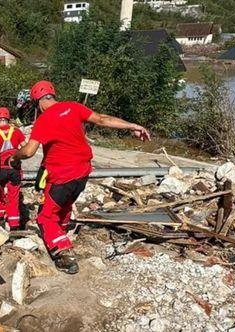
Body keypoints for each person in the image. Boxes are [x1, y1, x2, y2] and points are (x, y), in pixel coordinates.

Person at [8, 80, 151, 274]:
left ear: (38, 102)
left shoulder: (43, 120)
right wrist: (132, 125)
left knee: (45, 217)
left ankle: (63, 253)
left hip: (62, 175)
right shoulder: (73, 107)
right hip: (83, 172)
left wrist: (14, 157)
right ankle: (63, 230)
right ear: (52, 95)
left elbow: (29, 151)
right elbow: (102, 119)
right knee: (64, 204)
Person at [0, 107, 26, 230]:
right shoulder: (17, 132)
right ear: (8, 119)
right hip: (14, 170)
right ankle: (14, 225)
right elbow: (24, 149)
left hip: (2, 170)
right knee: (14, 197)